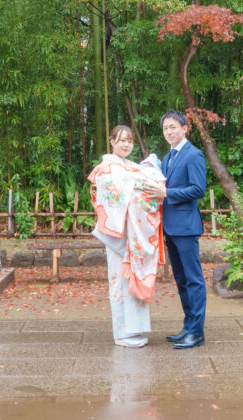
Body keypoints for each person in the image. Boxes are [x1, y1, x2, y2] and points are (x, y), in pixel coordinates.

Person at [87, 125, 167, 348]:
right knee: (119, 281)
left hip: (135, 233)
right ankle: (121, 333)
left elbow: (147, 189)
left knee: (132, 277)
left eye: (129, 141)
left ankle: (134, 329)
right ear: (111, 141)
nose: (126, 144)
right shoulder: (107, 167)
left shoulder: (132, 166)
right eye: (121, 140)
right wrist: (142, 186)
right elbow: (118, 195)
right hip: (119, 233)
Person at [159, 110, 207, 350]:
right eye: (166, 128)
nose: (169, 132)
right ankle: (188, 326)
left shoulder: (193, 155)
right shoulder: (168, 158)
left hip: (186, 227)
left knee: (194, 279)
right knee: (181, 279)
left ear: (185, 128)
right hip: (169, 227)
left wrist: (167, 193)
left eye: (173, 127)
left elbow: (198, 189)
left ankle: (197, 332)